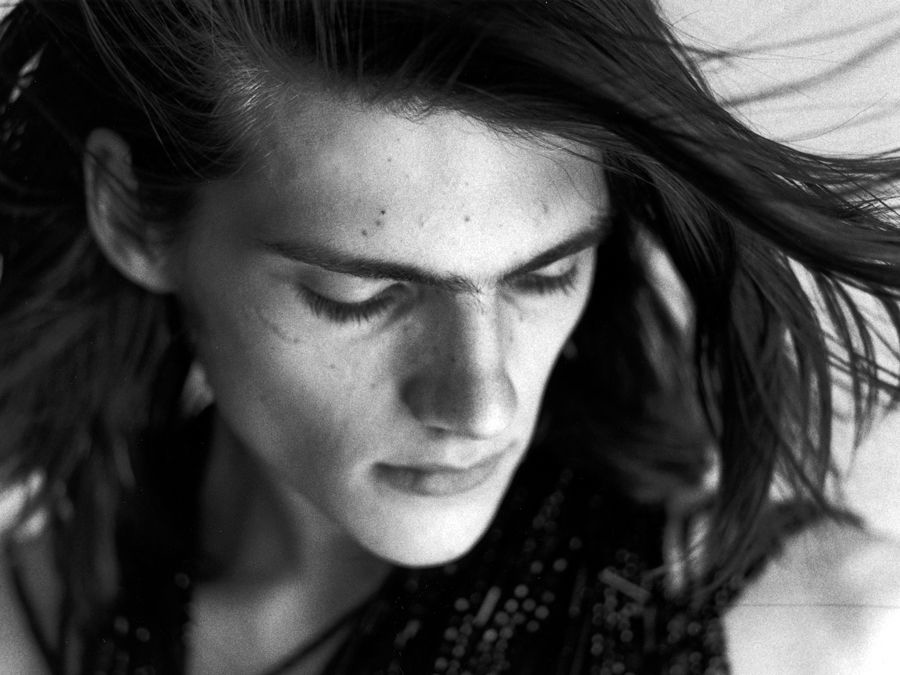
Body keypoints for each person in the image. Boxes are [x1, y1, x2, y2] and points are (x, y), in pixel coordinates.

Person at [1, 1, 899, 673]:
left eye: (546, 275)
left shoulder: (823, 634)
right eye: (360, 295)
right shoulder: (26, 616)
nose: (482, 403)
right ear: (135, 215)